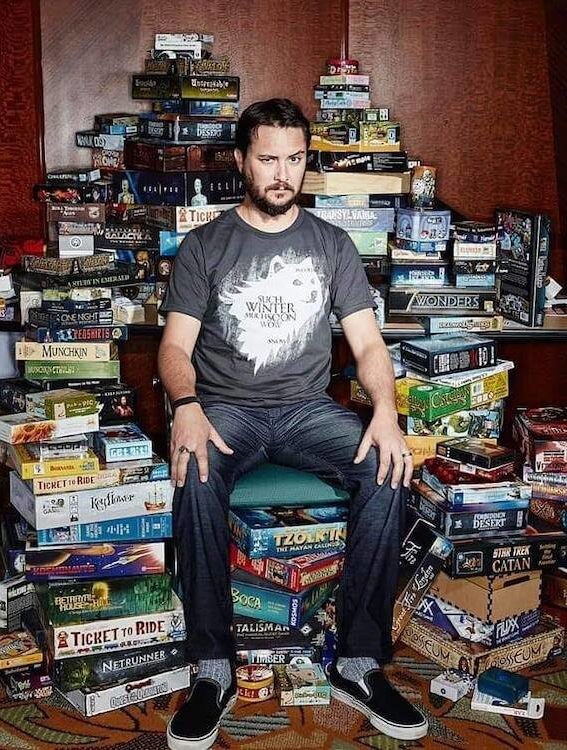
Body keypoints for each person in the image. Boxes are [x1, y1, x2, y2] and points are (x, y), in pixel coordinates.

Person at [158, 98, 428, 750]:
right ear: (241, 161)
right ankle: (212, 668)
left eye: (296, 159)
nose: (283, 174)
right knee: (195, 472)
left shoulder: (332, 244)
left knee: (387, 467)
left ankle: (358, 662)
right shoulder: (205, 246)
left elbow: (368, 345)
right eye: (268, 159)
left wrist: (386, 412)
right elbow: (173, 348)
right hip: (228, 409)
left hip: (307, 410)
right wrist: (186, 406)